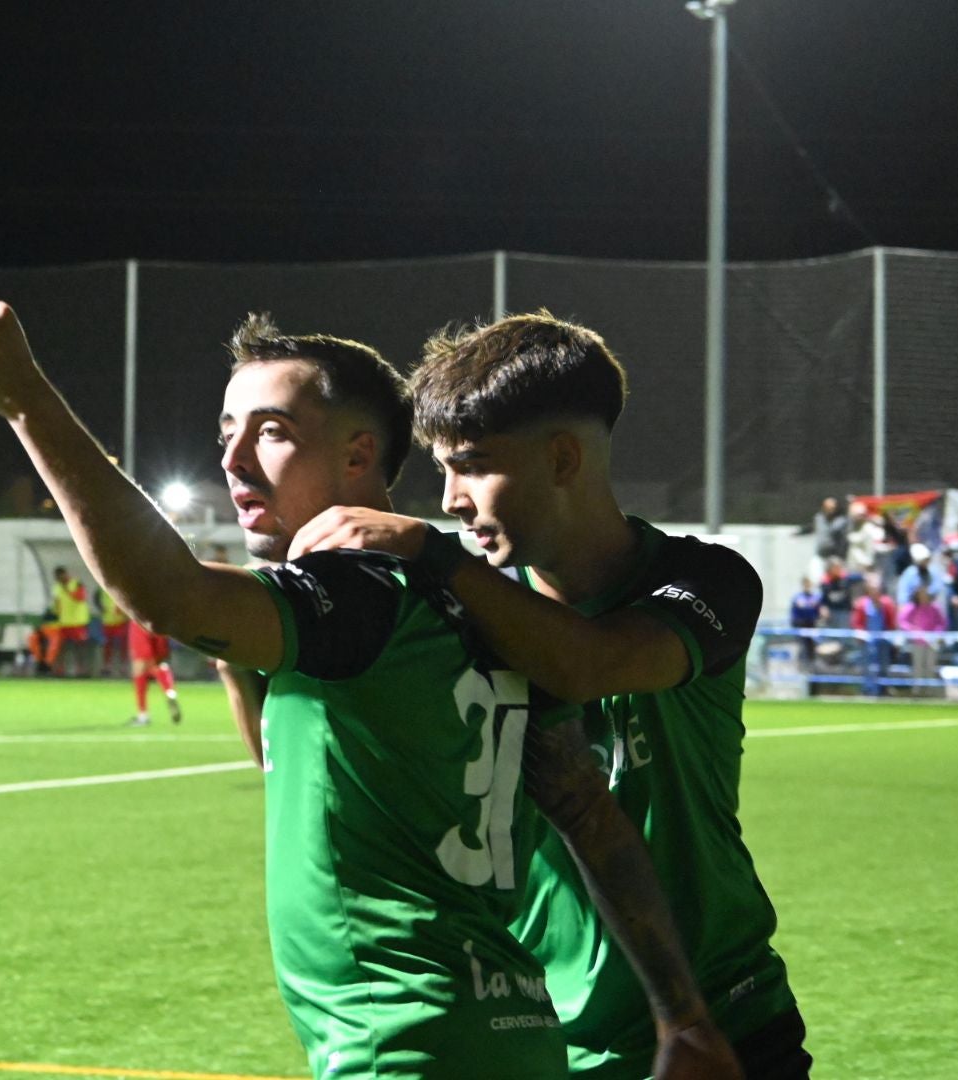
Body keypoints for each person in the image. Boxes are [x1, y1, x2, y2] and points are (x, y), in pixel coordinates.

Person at [0, 301, 736, 1080]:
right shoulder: (483, 604)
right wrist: (239, 654)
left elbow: (173, 594)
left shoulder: (380, 588)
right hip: (524, 1018)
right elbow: (564, 805)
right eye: (227, 434)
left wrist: (25, 402)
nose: (233, 460)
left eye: (270, 432)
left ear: (359, 456)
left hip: (424, 1035)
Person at [289, 312, 806, 1078]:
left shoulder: (709, 581)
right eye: (441, 471)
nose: (453, 498)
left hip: (727, 1025)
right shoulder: (455, 610)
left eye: (472, 465)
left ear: (563, 457)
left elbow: (589, 664)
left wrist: (427, 553)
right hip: (551, 1044)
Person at [125, 620, 180, 727]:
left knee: (140, 668)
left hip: (139, 620)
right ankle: (170, 691)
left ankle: (143, 715)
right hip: (158, 621)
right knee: (158, 663)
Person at [850, 576, 898, 697]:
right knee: (868, 666)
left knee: (883, 665)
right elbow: (856, 622)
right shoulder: (861, 604)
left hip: (883, 640)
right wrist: (860, 634)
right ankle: (868, 689)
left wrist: (890, 635)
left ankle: (883, 688)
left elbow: (892, 622)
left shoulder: (887, 603)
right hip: (867, 641)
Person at [897, 584, 946, 693]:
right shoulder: (912, 607)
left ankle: (929, 689)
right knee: (918, 665)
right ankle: (917, 690)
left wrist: (936, 634)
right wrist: (913, 630)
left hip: (932, 642)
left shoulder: (935, 607)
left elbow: (942, 623)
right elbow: (902, 622)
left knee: (930, 665)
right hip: (917, 642)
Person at [48, 566, 91, 675]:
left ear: (66, 574)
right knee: (62, 648)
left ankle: (82, 670)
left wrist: (66, 589)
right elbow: (56, 603)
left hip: (78, 622)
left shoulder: (77, 584)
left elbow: (80, 597)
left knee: (80, 648)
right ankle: (60, 670)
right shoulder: (56, 587)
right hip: (64, 622)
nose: (59, 579)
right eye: (57, 578)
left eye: (60, 576)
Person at [807, 497, 847, 581]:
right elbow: (811, 527)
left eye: (833, 508)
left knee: (834, 581)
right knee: (815, 579)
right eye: (828, 508)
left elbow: (841, 538)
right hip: (820, 556)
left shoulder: (841, 521)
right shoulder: (818, 518)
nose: (830, 510)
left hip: (834, 557)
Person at [788, 576, 822, 667]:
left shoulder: (815, 596)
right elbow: (800, 605)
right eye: (806, 583)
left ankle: (811, 666)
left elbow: (817, 607)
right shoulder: (798, 596)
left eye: (809, 583)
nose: (808, 585)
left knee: (812, 646)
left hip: (811, 624)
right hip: (800, 624)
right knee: (801, 646)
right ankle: (801, 666)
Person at [96, 584, 129, 675]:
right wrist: (101, 608)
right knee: (107, 645)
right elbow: (96, 599)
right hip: (107, 621)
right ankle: (107, 666)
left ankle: (123, 666)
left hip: (120, 621)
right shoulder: (101, 587)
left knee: (123, 645)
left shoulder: (121, 586)